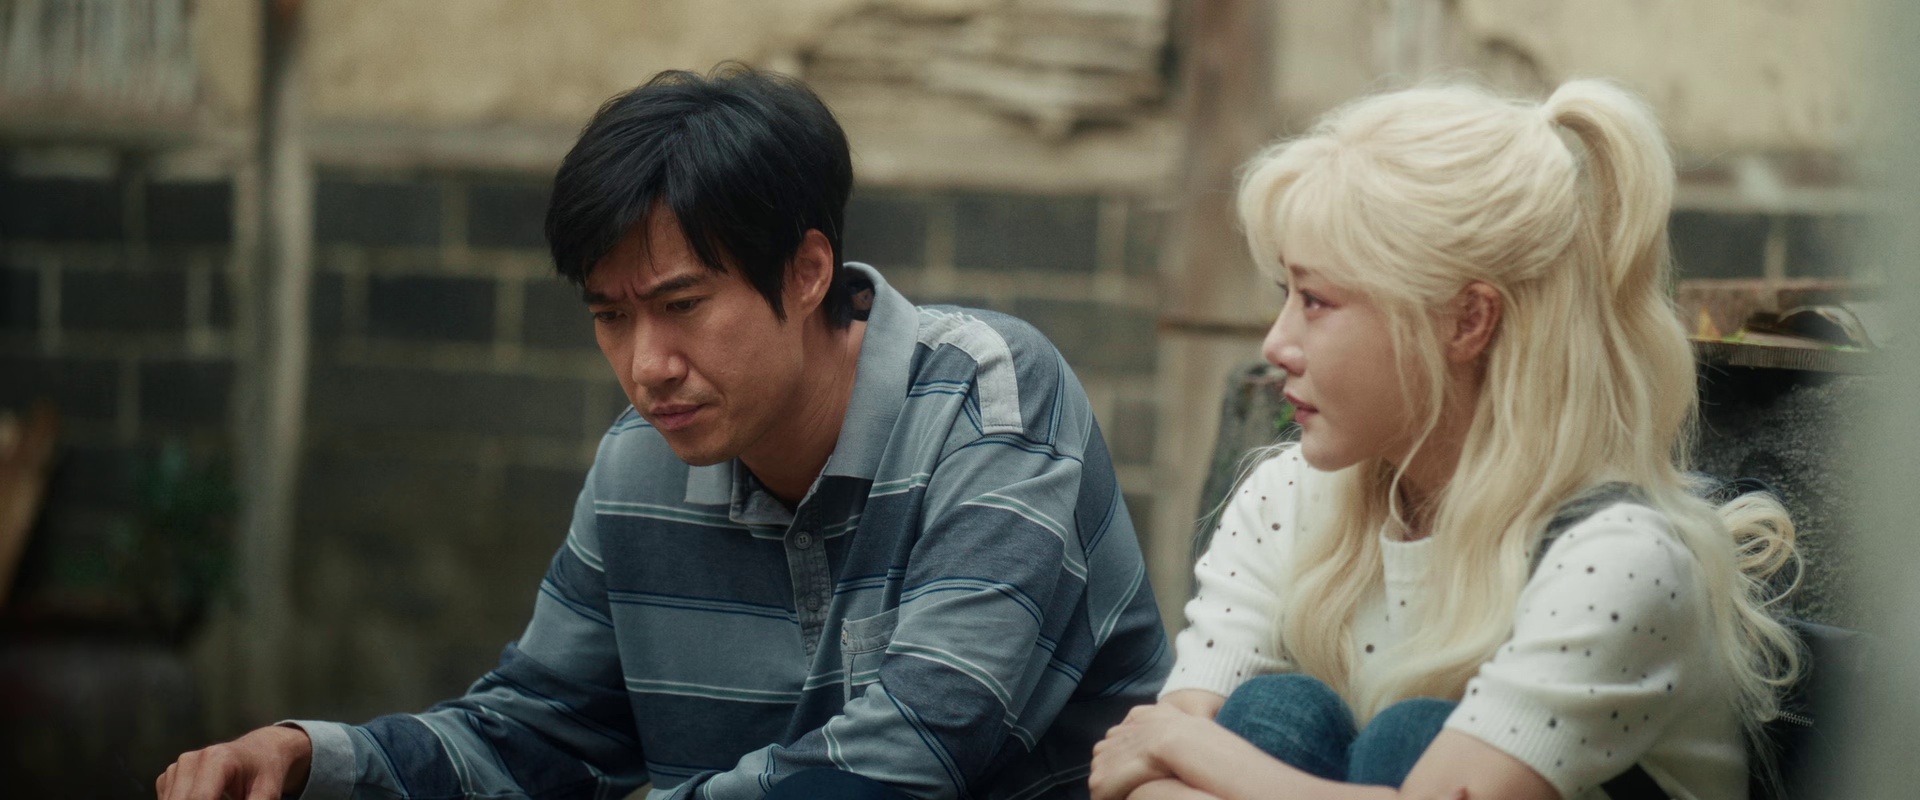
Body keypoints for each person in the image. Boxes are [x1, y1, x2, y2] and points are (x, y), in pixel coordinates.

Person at [158, 65, 1170, 800]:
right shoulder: (638, 463)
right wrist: (312, 759)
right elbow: (534, 739)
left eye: (682, 304)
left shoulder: (988, 400)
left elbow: (914, 753)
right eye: (610, 315)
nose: (646, 364)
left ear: (807, 271)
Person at [1088, 80, 1800, 800]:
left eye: (1316, 300)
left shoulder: (1617, 559)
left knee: (1410, 736)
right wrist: (1183, 745)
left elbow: (1169, 745)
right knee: (1278, 713)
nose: (1276, 344)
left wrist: (1188, 746)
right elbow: (1138, 777)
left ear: (1467, 321)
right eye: (1286, 296)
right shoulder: (1286, 496)